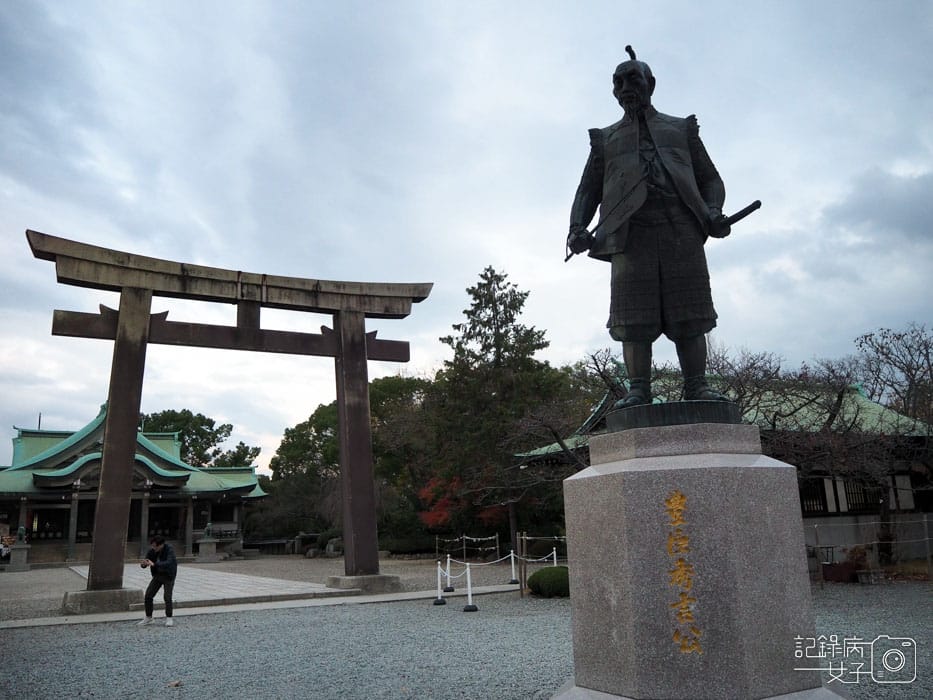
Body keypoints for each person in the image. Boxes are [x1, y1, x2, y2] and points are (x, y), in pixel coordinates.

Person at [567, 46, 731, 408]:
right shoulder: (605, 140)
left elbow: (711, 179)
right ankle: (638, 388)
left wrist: (713, 211)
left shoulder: (680, 129)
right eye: (618, 82)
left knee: (690, 312)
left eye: (633, 79)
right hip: (630, 234)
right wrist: (577, 227)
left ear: (650, 83)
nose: (625, 87)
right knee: (632, 317)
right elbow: (587, 189)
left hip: (680, 230)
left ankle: (697, 385)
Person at [138, 534, 177, 626]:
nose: (153, 548)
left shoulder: (169, 549)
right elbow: (146, 562)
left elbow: (169, 562)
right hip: (157, 575)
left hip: (168, 575)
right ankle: (149, 617)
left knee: (167, 597)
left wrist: (154, 564)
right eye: (152, 546)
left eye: (155, 546)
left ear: (161, 545)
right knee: (148, 595)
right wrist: (144, 564)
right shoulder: (152, 551)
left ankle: (169, 618)